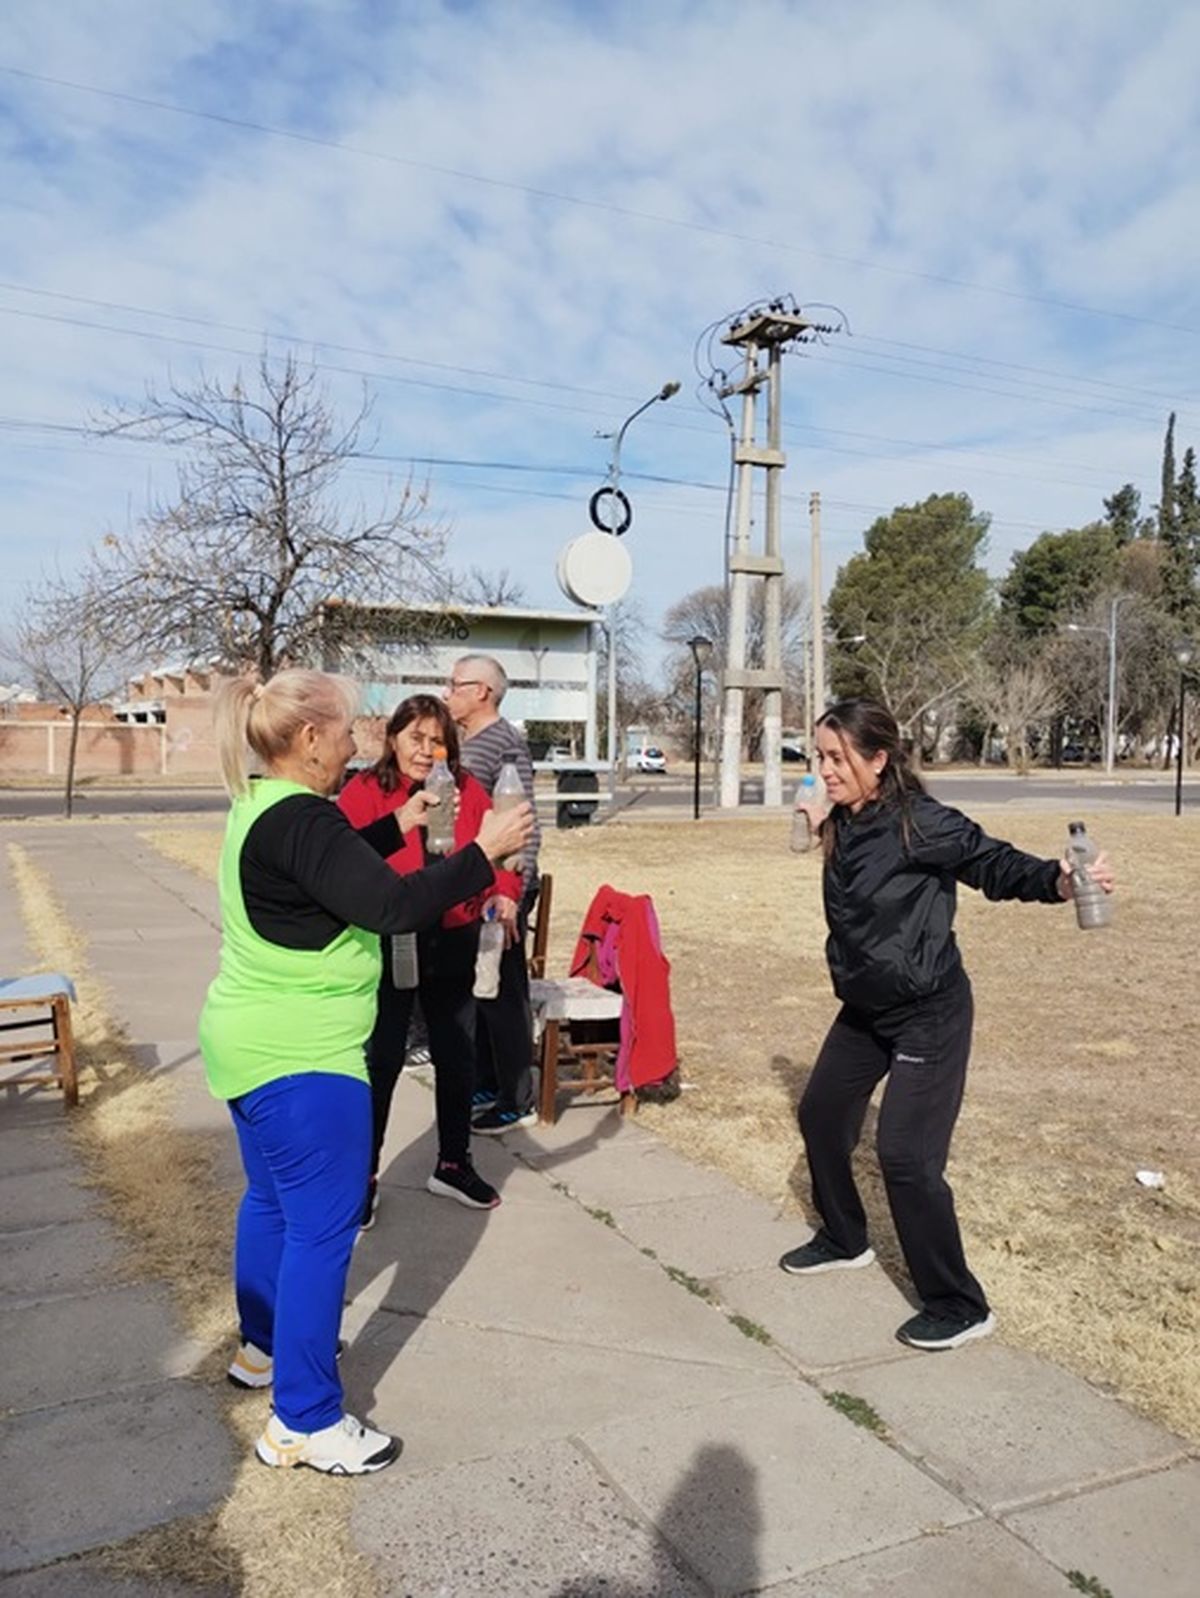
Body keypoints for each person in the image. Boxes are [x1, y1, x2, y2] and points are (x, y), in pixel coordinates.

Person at [199, 670, 532, 1475]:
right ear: (310, 738)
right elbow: (388, 908)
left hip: (247, 1045)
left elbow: (331, 884)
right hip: (303, 1060)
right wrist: (483, 855)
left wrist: (396, 828)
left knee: (274, 1205)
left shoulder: (260, 807)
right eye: (348, 729)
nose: (359, 742)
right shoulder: (307, 818)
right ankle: (306, 1420)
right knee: (323, 1230)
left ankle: (264, 1351)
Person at [780, 698, 1114, 1352]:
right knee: (821, 1114)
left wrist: (1058, 881)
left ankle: (959, 1304)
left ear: (878, 760)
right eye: (818, 756)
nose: (822, 769)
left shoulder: (921, 823)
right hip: (867, 1006)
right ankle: (846, 1239)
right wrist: (819, 820)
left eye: (835, 758)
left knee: (905, 1155)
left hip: (930, 1009)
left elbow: (993, 863)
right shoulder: (843, 818)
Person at [337, 694, 523, 1218]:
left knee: (457, 1051)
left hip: (455, 931)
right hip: (393, 935)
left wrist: (505, 889)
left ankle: (453, 1162)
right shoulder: (366, 790)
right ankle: (364, 1176)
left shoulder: (467, 789)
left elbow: (501, 848)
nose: (425, 750)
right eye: (415, 738)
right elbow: (346, 859)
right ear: (392, 737)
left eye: (436, 739)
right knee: (382, 1058)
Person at [444, 654, 542, 1134]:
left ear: (482, 690)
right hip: (473, 884)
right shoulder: (471, 743)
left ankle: (516, 1096)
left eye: (455, 684)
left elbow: (522, 823)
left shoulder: (504, 743)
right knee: (477, 988)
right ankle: (486, 1079)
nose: (448, 693)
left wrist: (513, 891)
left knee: (503, 992)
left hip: (502, 887)